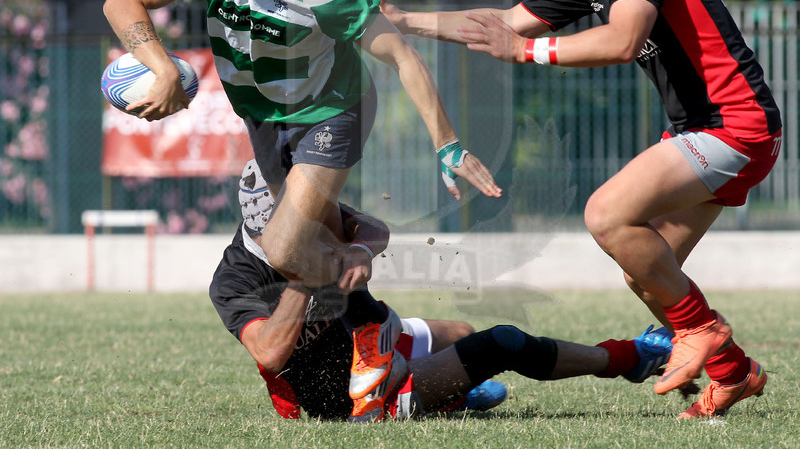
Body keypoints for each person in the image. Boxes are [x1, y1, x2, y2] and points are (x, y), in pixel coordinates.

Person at [377, 0, 781, 420]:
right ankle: (734, 371)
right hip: (710, 129)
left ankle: (703, 330)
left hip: (735, 125)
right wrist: (405, 22)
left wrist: (526, 52)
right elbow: (507, 23)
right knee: (646, 270)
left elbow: (621, 40)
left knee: (606, 215)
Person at [103, 0, 501, 421]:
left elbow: (403, 58)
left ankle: (372, 322)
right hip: (265, 120)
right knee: (318, 240)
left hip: (332, 112)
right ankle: (383, 304)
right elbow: (122, 1)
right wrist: (162, 69)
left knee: (287, 250)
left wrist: (448, 145)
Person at [209, 160, 674, 422]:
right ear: (274, 234)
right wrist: (305, 277)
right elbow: (270, 352)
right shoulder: (234, 281)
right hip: (349, 396)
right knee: (501, 342)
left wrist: (362, 251)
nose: (327, 230)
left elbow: (372, 227)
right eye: (310, 230)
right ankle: (627, 358)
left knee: (460, 330)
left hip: (372, 338)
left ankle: (451, 396)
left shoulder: (307, 216)